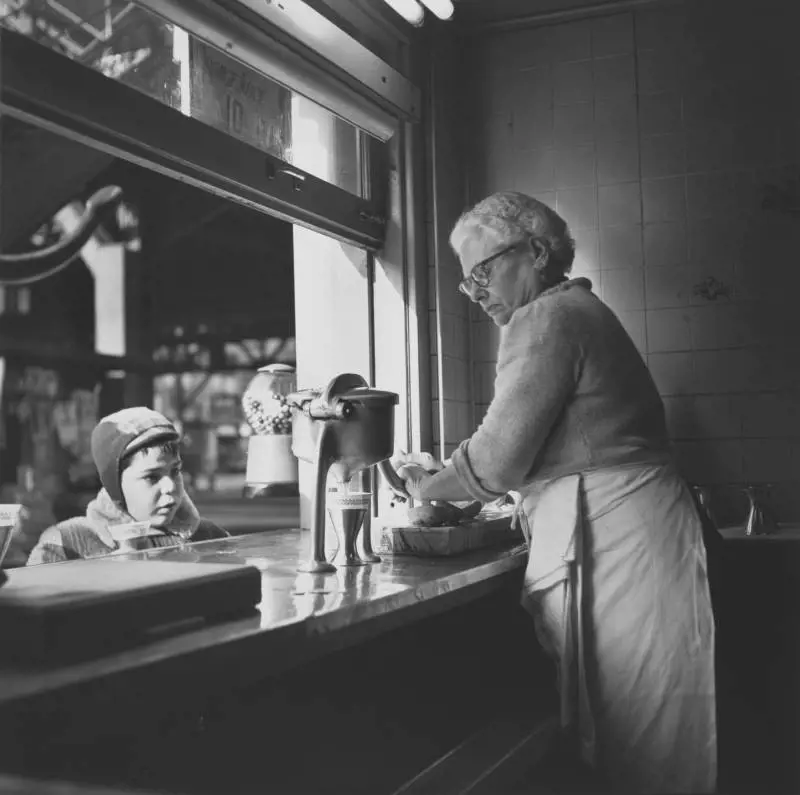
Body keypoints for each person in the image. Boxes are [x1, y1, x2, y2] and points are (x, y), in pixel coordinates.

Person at [394, 192, 716, 794]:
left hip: (624, 536)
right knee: (648, 731)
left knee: (640, 735)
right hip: (636, 531)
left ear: (537, 252)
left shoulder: (547, 316)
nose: (478, 292)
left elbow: (499, 457)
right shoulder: (578, 311)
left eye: (483, 271)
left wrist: (425, 484)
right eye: (468, 284)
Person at [27, 407, 228, 565]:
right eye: (151, 477)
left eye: (175, 471)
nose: (169, 486)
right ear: (115, 485)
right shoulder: (66, 544)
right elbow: (28, 613)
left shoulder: (210, 537)